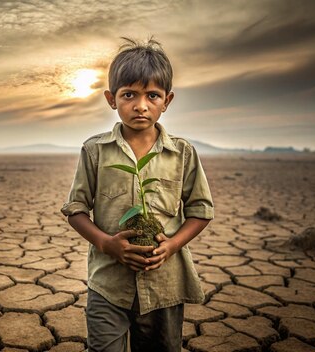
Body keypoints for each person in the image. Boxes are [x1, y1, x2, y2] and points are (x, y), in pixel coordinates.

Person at [61, 37, 214, 352]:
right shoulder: (95, 150)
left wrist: (171, 246)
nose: (141, 105)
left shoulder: (182, 153)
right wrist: (106, 243)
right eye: (128, 94)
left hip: (164, 285)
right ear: (111, 99)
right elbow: (76, 208)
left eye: (152, 95)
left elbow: (200, 210)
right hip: (108, 282)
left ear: (166, 101)